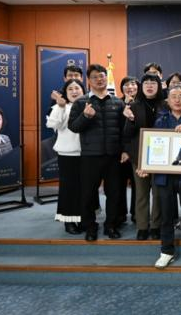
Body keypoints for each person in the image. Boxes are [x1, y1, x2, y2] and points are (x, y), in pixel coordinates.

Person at [139, 85, 181, 268]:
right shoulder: (160, 121)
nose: (177, 100)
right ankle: (166, 250)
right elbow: (154, 146)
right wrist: (146, 165)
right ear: (167, 100)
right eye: (173, 96)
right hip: (164, 176)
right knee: (166, 214)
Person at [68, 64, 126, 241]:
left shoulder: (118, 102)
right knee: (88, 193)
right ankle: (90, 227)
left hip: (113, 156)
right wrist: (85, 116)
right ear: (89, 80)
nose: (99, 80)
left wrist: (124, 150)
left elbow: (124, 130)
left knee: (114, 193)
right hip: (90, 156)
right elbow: (73, 127)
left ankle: (111, 225)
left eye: (102, 76)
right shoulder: (81, 102)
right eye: (95, 77)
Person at [122, 73, 164, 240]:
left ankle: (156, 226)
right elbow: (127, 135)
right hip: (139, 156)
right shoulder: (134, 106)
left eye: (153, 83)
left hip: (161, 157)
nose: (149, 85)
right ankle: (142, 227)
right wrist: (131, 120)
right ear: (142, 87)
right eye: (146, 83)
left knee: (158, 193)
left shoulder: (165, 105)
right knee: (141, 193)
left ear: (158, 86)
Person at [46, 79, 85, 235]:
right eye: (70, 89)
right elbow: (53, 125)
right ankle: (68, 221)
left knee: (85, 188)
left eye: (77, 88)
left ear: (83, 91)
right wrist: (61, 107)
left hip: (87, 154)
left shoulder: (88, 105)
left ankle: (83, 218)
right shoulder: (60, 106)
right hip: (68, 155)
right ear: (65, 92)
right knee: (69, 189)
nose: (74, 91)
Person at [118, 75, 139, 226]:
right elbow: (116, 129)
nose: (130, 87)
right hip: (121, 152)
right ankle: (120, 214)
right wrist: (123, 149)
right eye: (126, 85)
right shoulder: (116, 103)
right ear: (122, 88)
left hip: (137, 151)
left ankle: (137, 213)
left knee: (138, 185)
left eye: (132, 84)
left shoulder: (141, 104)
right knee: (119, 184)